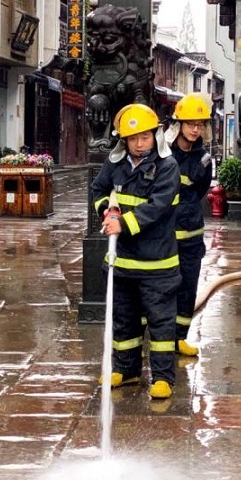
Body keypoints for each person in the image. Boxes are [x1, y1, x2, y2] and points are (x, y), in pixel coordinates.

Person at [91, 103, 182, 400]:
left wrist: (123, 223)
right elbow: (99, 190)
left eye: (144, 137)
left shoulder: (167, 167)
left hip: (157, 264)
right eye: (133, 139)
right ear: (124, 140)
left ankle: (163, 377)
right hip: (123, 262)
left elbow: (158, 207)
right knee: (124, 320)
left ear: (155, 136)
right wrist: (106, 212)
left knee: (161, 324)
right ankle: (126, 370)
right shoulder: (115, 163)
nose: (139, 144)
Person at [165, 94, 214, 357]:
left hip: (191, 236)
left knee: (188, 286)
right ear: (179, 124)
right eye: (191, 124)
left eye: (200, 125)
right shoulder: (163, 153)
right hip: (164, 235)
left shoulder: (204, 159)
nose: (196, 129)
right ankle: (156, 336)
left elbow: (201, 190)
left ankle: (180, 337)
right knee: (160, 287)